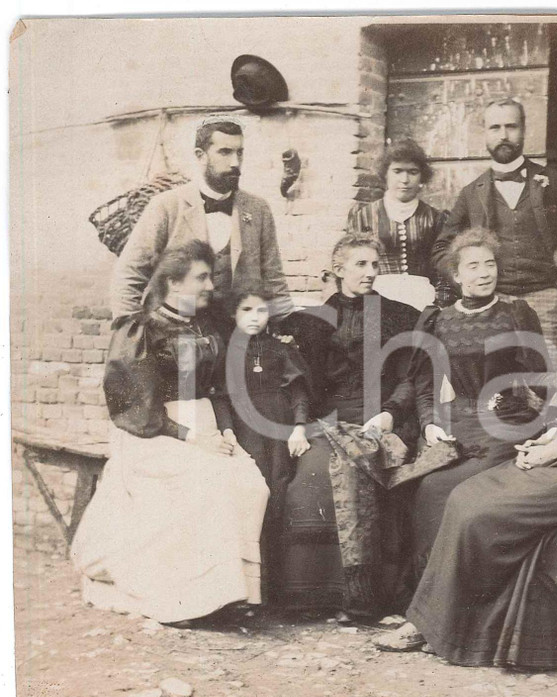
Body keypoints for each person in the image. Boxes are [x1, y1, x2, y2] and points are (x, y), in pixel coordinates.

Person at [376, 238, 557, 671]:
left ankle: (457, 628)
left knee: (479, 509)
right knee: (467, 496)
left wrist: (548, 452)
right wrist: (545, 442)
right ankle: (442, 622)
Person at [70, 241, 270, 624]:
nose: (211, 285)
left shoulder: (208, 328)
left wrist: (226, 432)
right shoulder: (141, 331)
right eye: (201, 277)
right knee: (204, 481)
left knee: (250, 483)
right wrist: (194, 438)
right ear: (174, 283)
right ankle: (185, 598)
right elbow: (136, 409)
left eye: (210, 276)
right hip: (156, 434)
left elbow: (219, 390)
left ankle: (230, 593)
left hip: (208, 428)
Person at [278, 232, 421, 617]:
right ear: (338, 270)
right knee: (312, 477)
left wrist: (390, 412)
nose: (371, 272)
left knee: (382, 472)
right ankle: (321, 596)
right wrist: (303, 423)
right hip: (331, 419)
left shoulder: (402, 316)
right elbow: (303, 381)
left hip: (386, 418)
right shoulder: (312, 322)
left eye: (375, 265)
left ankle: (376, 596)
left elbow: (412, 377)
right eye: (361, 264)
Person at [408, 227, 547, 579]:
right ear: (456, 274)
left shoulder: (516, 312)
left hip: (508, 420)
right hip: (456, 421)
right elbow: (423, 382)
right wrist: (428, 423)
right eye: (473, 266)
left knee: (450, 489)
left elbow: (541, 376)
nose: (484, 273)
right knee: (421, 486)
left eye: (490, 264)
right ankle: (432, 590)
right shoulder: (437, 319)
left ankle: (473, 587)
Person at [431, 98, 557, 354]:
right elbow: (442, 248)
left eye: (511, 126)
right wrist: (469, 280)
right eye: (495, 128)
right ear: (485, 134)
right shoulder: (471, 193)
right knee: (498, 379)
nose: (503, 135)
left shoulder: (556, 182)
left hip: (546, 299)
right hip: (493, 302)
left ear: (524, 130)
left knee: (544, 378)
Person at [110, 117, 294, 327]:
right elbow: (129, 274)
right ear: (201, 155)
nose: (235, 162)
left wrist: (288, 329)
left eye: (239, 152)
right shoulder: (166, 205)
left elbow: (274, 278)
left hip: (236, 333)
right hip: (176, 331)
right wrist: (130, 333)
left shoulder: (257, 208)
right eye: (225, 152)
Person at [226, 287, 311, 602]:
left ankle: (278, 591)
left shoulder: (281, 349)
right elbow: (221, 396)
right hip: (243, 428)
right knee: (248, 499)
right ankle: (248, 591)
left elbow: (299, 392)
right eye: (246, 310)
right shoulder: (228, 353)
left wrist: (299, 428)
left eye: (261, 311)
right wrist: (226, 431)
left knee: (277, 499)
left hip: (278, 428)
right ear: (234, 315)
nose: (254, 317)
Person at [346, 138, 450, 310]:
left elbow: (444, 270)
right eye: (397, 171)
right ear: (385, 174)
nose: (405, 179)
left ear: (422, 176)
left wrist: (438, 305)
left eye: (413, 172)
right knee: (373, 337)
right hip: (374, 299)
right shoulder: (363, 216)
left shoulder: (435, 218)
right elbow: (351, 265)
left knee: (418, 337)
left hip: (422, 299)